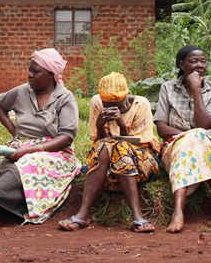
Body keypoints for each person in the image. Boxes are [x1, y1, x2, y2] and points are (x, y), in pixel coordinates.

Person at [0, 48, 80, 231]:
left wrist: (29, 150)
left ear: (51, 75)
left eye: (35, 71)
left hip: (55, 152)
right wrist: (13, 131)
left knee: (28, 163)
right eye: (29, 70)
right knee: (9, 166)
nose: (30, 75)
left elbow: (66, 138)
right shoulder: (23, 91)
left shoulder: (65, 98)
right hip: (23, 145)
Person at [58, 72, 160, 233]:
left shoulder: (141, 104)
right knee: (105, 145)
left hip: (142, 164)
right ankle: (82, 215)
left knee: (119, 147)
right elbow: (98, 143)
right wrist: (100, 126)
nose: (112, 108)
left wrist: (122, 125)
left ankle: (137, 216)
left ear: (126, 96)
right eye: (107, 104)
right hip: (107, 167)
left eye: (117, 104)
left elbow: (140, 145)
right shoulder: (97, 102)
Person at [154, 45, 211, 233]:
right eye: (194, 61)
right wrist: (188, 136)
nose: (200, 65)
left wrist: (196, 90)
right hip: (175, 146)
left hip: (208, 145)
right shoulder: (168, 88)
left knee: (200, 137)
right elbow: (161, 128)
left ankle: (181, 211)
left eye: (203, 61)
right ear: (181, 64)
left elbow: (205, 126)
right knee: (192, 139)